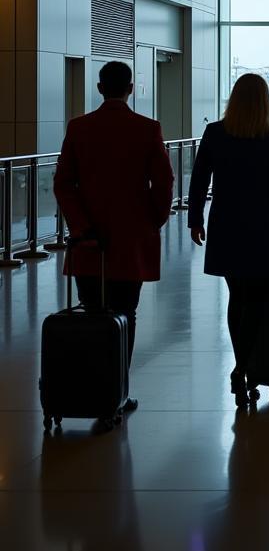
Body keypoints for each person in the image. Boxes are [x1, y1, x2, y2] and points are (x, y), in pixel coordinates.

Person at [53, 60, 174, 413]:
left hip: (89, 243)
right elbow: (163, 182)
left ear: (100, 88)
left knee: (93, 313)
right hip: (131, 240)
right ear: (131, 88)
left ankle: (92, 386)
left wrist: (81, 226)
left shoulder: (79, 128)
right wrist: (154, 220)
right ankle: (118, 388)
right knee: (126, 313)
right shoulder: (148, 129)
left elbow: (63, 184)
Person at [188, 74, 269, 407]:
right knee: (260, 299)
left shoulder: (215, 133)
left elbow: (198, 181)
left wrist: (195, 219)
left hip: (225, 225)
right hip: (262, 226)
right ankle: (245, 367)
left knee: (237, 297)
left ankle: (243, 365)